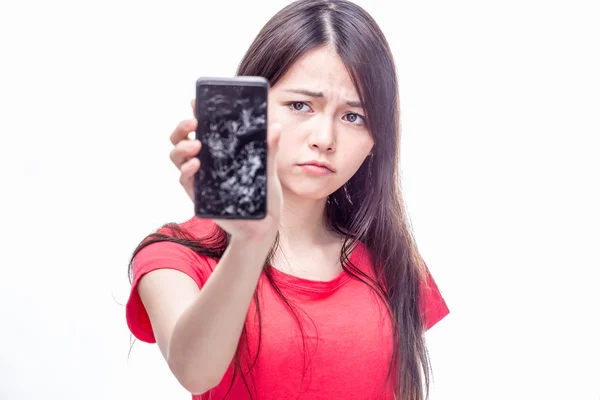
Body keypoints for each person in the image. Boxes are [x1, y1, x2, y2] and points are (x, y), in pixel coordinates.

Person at [125, 0, 449, 399]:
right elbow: (196, 372)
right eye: (300, 105)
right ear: (254, 109)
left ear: (375, 141)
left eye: (354, 117)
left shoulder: (390, 257)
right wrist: (250, 240)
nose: (324, 139)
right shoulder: (176, 255)